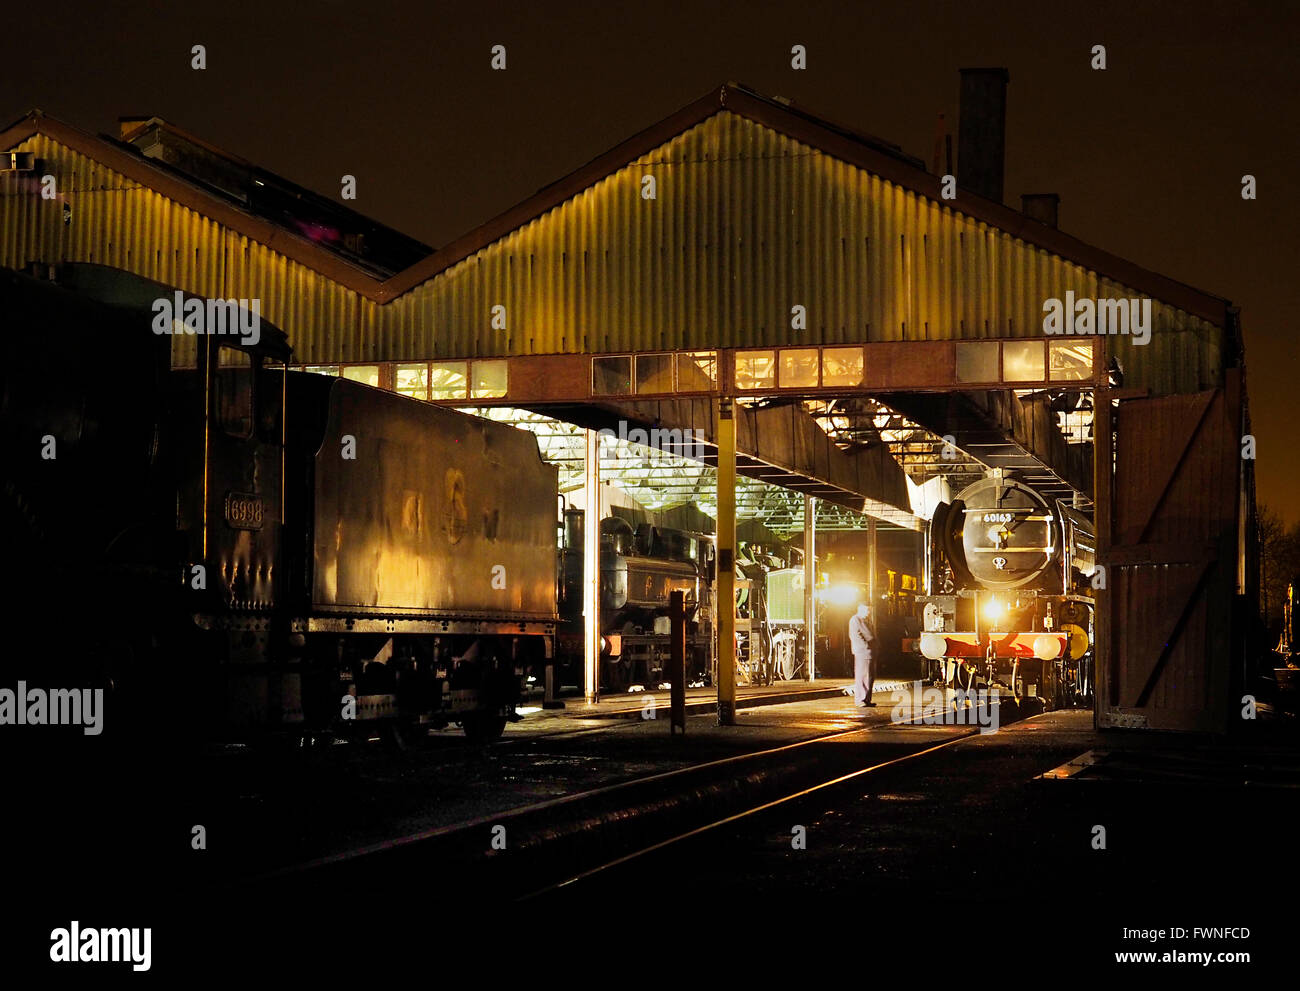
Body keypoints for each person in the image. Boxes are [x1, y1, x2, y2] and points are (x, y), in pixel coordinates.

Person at [848, 603, 876, 707]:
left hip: (868, 651)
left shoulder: (866, 620)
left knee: (869, 676)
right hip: (863, 651)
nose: (869, 612)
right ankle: (861, 699)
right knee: (863, 676)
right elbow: (862, 635)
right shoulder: (855, 619)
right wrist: (867, 646)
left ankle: (866, 699)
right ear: (861, 610)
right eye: (867, 610)